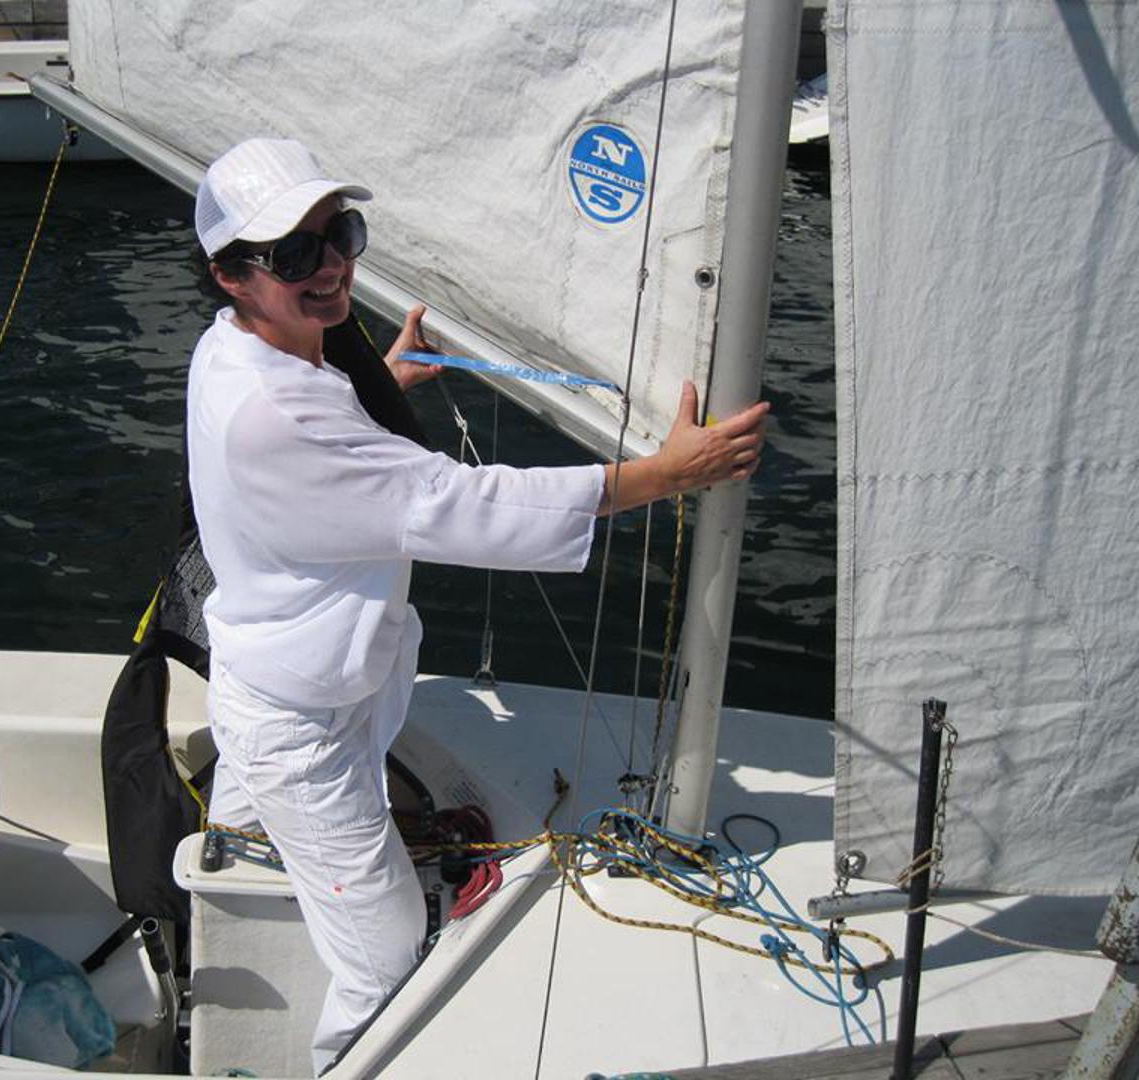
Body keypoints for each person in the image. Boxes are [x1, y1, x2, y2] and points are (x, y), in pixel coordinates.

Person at [187, 137, 769, 1074]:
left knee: (293, 852)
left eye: (340, 234)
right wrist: (664, 475)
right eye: (294, 253)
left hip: (290, 680)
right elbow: (462, 504)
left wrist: (379, 379)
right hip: (301, 730)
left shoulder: (240, 351)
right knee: (383, 955)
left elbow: (324, 423)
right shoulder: (279, 419)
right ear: (230, 275)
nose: (330, 265)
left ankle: (265, 853)